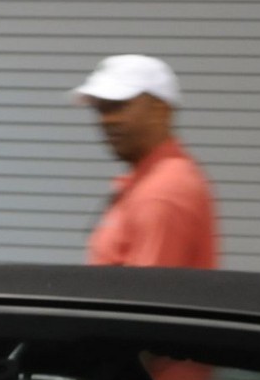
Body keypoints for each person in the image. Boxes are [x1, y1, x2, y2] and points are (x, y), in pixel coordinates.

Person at [69, 54, 220, 273]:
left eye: (118, 106)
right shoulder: (146, 178)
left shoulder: (163, 191)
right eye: (101, 109)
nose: (106, 120)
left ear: (160, 110)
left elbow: (147, 292)